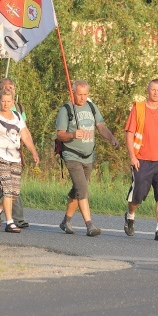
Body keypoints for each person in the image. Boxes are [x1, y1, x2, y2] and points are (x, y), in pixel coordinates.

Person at [56, 80, 119, 237]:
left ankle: (66, 221)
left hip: (88, 156)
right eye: (80, 94)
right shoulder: (66, 110)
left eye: (85, 94)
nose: (83, 98)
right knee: (82, 188)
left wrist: (111, 138)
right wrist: (72, 135)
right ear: (73, 92)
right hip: (71, 154)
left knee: (77, 190)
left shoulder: (91, 106)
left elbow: (101, 126)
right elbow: (60, 134)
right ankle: (89, 225)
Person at [0, 89, 39, 233]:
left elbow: (25, 136)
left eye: (8, 101)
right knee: (7, 191)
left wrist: (33, 152)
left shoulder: (18, 116)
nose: (5, 104)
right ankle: (10, 222)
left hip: (15, 157)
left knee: (15, 193)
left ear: (13, 102)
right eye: (3, 101)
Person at [123, 79, 158, 242]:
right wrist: (132, 156)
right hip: (142, 160)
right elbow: (129, 134)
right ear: (147, 90)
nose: (156, 93)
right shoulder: (138, 108)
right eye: (153, 89)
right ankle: (130, 215)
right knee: (137, 196)